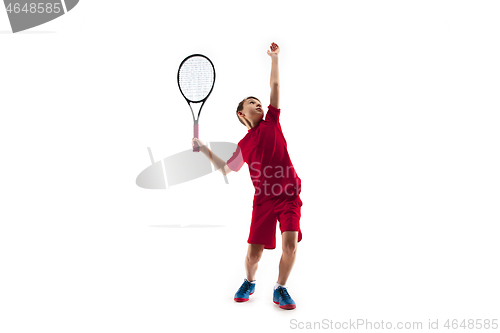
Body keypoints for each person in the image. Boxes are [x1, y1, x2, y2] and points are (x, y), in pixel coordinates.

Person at [192, 42, 302, 310]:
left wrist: (274, 59)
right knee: (253, 255)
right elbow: (227, 169)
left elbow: (275, 88)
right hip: (263, 201)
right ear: (242, 114)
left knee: (290, 244)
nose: (259, 104)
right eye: (252, 103)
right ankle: (249, 282)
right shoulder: (244, 145)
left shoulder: (272, 122)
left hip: (288, 195)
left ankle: (280, 289)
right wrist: (205, 149)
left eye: (260, 102)